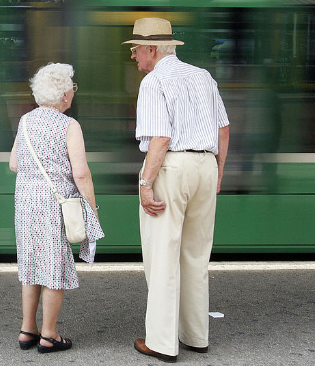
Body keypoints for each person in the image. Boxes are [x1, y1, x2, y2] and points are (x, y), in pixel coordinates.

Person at [123, 18, 230, 362]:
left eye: (136, 49)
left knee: (163, 257)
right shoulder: (203, 76)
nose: (134, 57)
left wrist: (145, 183)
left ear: (152, 50)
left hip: (172, 167)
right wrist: (218, 173)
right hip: (206, 166)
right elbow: (223, 129)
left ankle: (161, 342)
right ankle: (196, 336)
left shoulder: (154, 82)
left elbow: (161, 138)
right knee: (196, 256)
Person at [9, 63, 100, 353]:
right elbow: (81, 173)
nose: (73, 93)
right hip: (54, 204)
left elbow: (14, 164)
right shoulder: (69, 125)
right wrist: (92, 207)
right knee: (53, 268)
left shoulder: (25, 121)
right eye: (72, 88)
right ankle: (49, 335)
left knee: (31, 265)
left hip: (25, 202)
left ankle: (28, 330)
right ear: (63, 95)